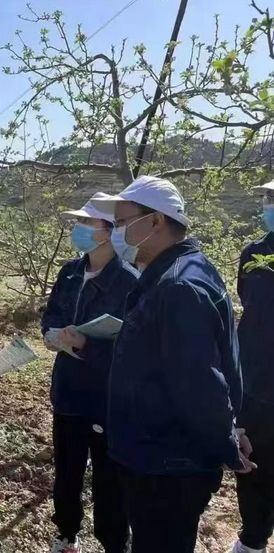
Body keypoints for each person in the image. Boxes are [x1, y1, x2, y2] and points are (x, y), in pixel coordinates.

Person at [91, 176, 255, 553]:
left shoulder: (177, 287)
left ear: (156, 222)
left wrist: (227, 443)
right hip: (157, 457)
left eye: (122, 222)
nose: (116, 232)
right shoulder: (177, 274)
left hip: (166, 465)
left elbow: (199, 384)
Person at [41, 193, 138, 553]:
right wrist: (52, 334)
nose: (79, 229)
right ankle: (66, 534)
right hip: (67, 390)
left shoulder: (128, 281)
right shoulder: (70, 272)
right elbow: (51, 313)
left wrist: (87, 345)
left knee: (108, 481)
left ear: (108, 232)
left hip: (104, 396)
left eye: (87, 223)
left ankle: (114, 542)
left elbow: (132, 347)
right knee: (66, 473)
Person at [228, 180, 274, 553]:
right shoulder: (255, 253)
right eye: (267, 198)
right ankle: (253, 539)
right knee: (255, 461)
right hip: (256, 378)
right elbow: (248, 302)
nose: (267, 204)